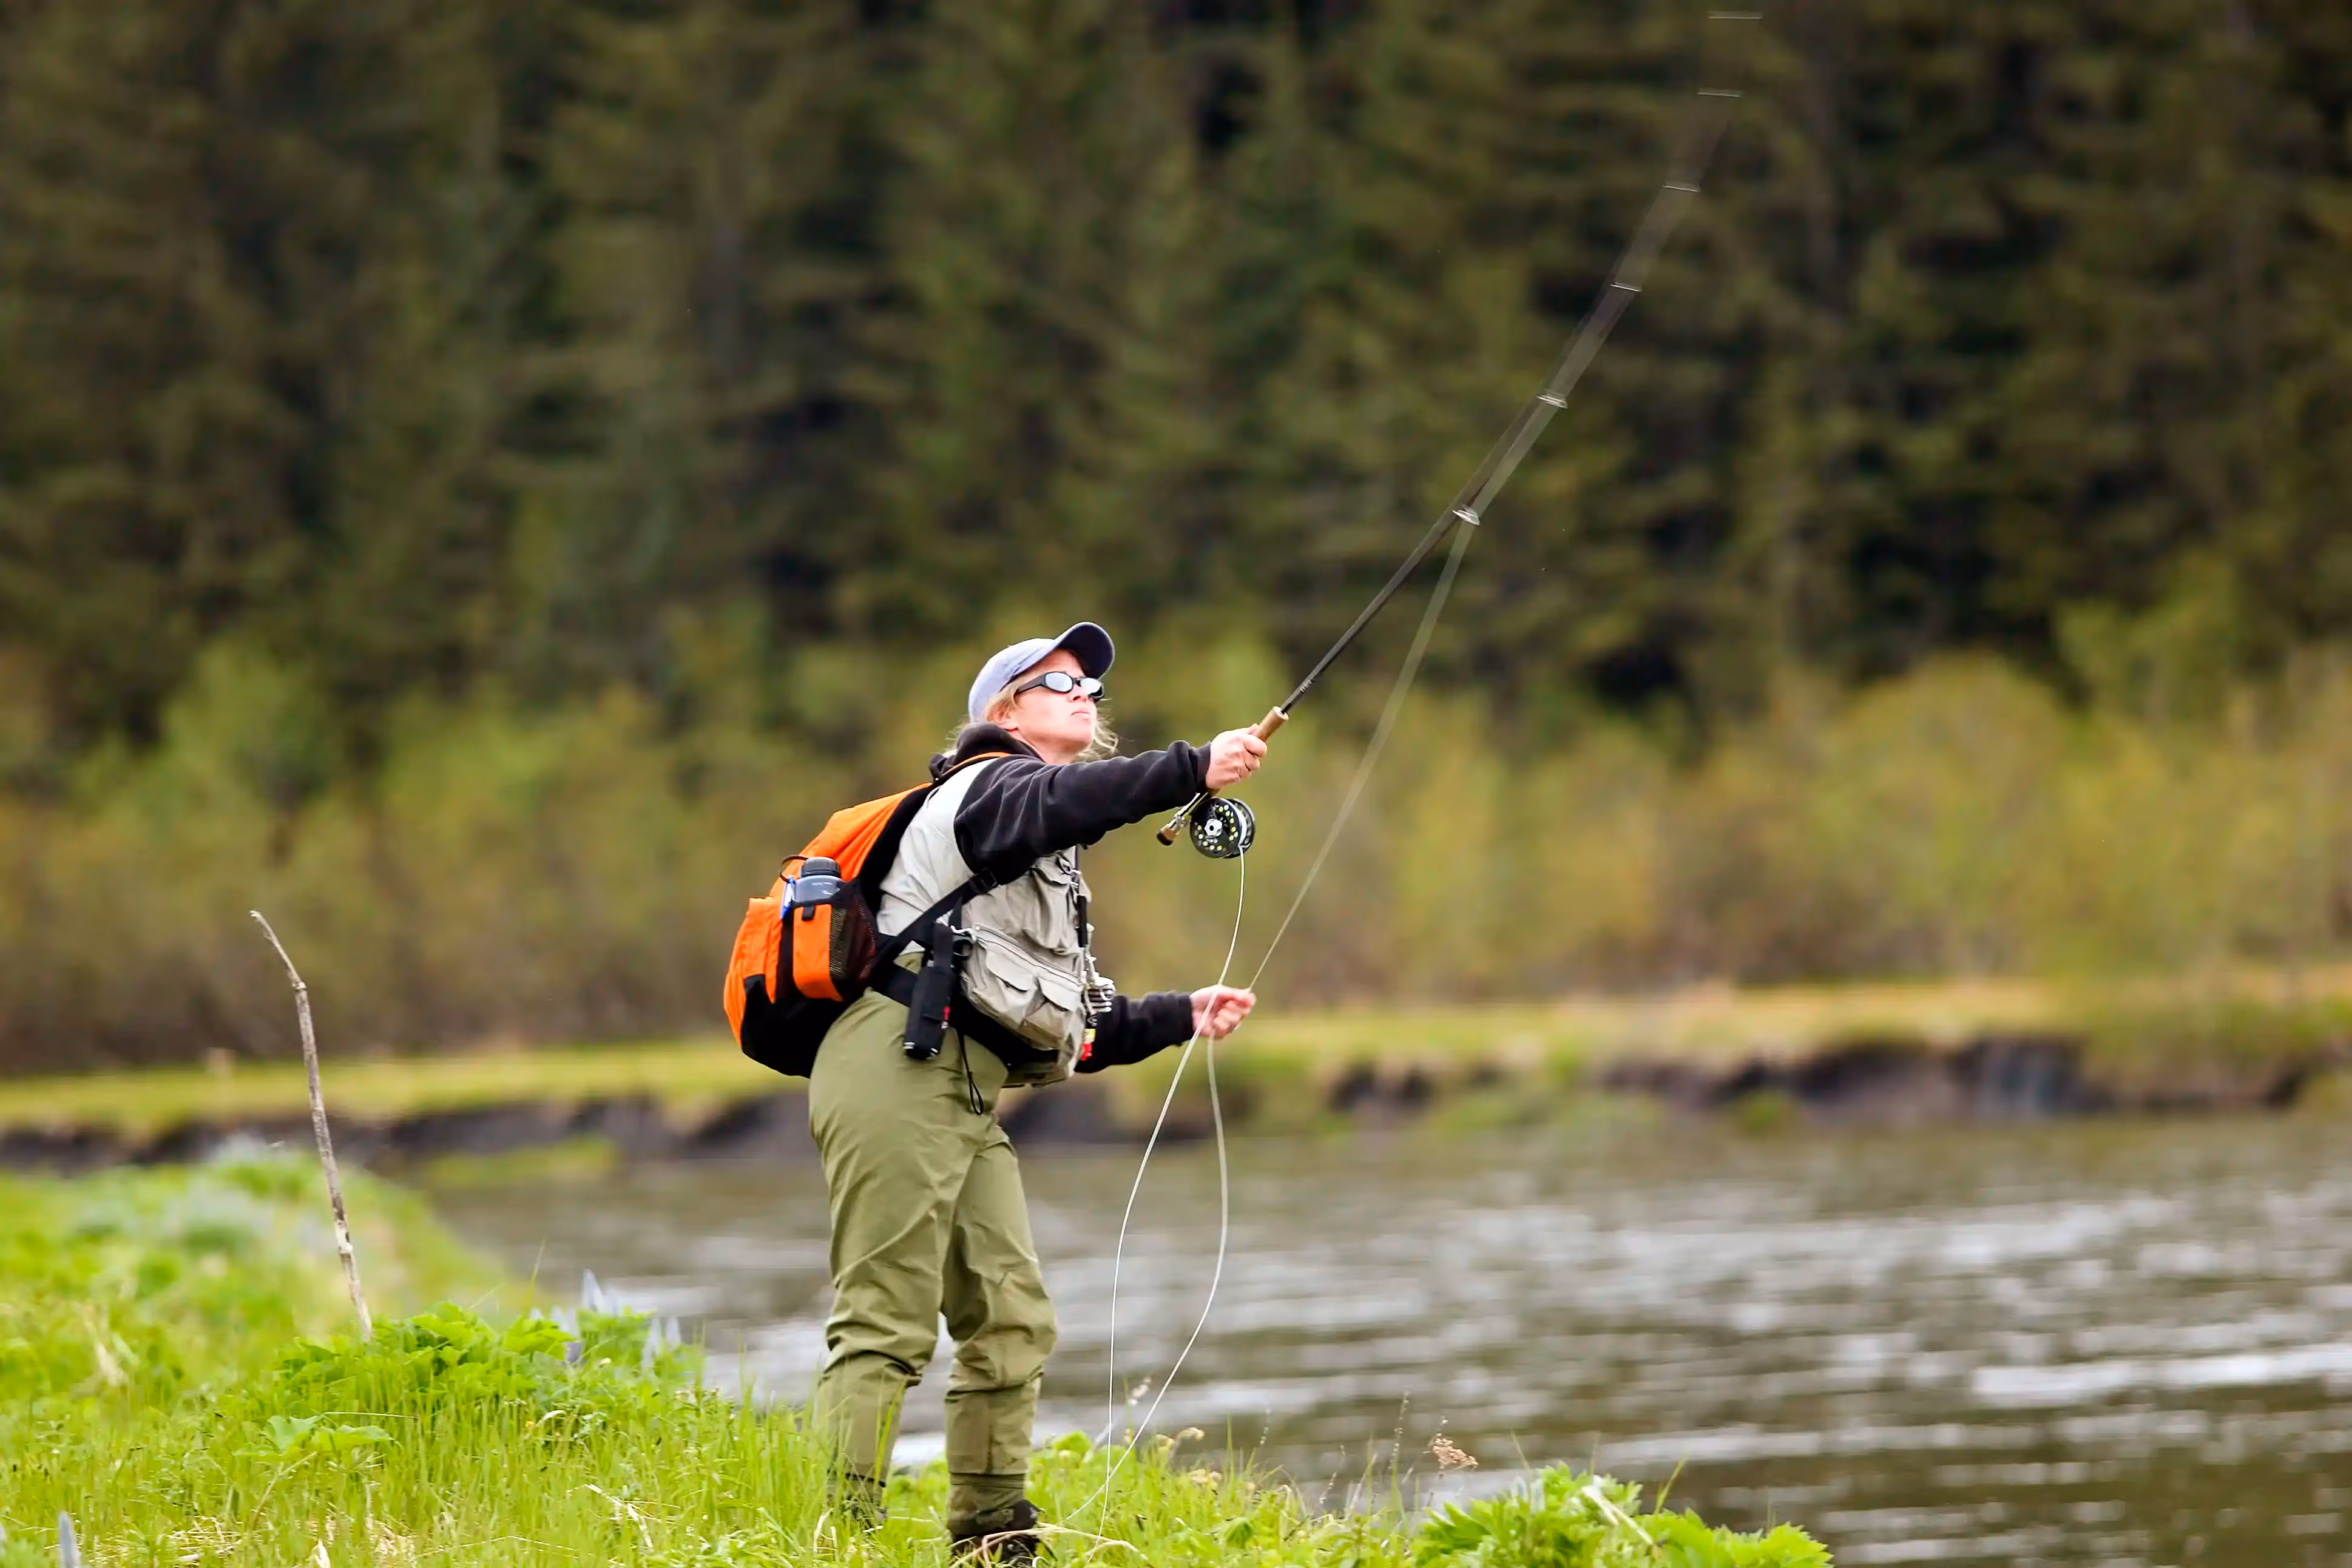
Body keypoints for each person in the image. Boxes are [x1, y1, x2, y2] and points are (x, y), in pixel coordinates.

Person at [808, 621, 1264, 1561]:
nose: (1085, 696)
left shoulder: (1041, 856)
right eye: (1061, 683)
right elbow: (1065, 801)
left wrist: (1183, 1015)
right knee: (886, 1322)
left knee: (1014, 1321)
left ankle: (992, 1542)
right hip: (893, 1065)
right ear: (1004, 710)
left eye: (1092, 687)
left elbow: (1076, 1029)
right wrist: (1191, 768)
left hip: (962, 1088)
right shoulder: (985, 791)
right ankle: (829, 1540)